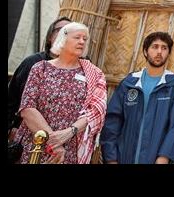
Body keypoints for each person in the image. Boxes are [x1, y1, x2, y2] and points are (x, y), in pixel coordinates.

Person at [14, 22, 107, 163]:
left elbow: (94, 112)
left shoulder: (94, 73)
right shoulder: (41, 68)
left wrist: (69, 133)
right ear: (63, 39)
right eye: (77, 37)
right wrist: (54, 142)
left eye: (85, 38)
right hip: (36, 143)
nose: (82, 41)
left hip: (71, 147)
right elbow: (27, 108)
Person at [100, 31, 174, 164]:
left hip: (156, 160)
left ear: (168, 53)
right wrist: (111, 158)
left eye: (164, 48)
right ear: (145, 52)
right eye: (155, 47)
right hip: (124, 158)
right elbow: (113, 121)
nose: (159, 52)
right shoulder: (129, 83)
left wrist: (164, 157)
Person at [8, 16, 71, 134]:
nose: (65, 34)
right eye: (61, 30)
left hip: (63, 137)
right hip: (27, 133)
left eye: (70, 31)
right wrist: (12, 126)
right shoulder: (33, 63)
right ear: (50, 37)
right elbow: (12, 98)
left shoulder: (81, 69)